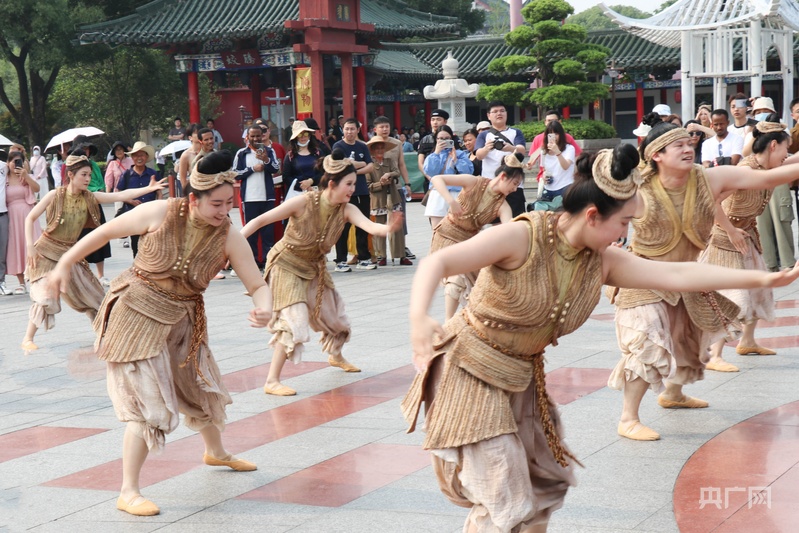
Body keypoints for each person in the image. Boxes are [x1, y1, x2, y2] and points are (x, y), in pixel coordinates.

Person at [401, 144, 799, 533]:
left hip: (520, 378)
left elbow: (678, 275)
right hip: (468, 368)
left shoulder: (601, 261)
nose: (627, 234)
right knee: (508, 496)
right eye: (624, 223)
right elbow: (438, 261)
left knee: (541, 492)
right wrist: (419, 317)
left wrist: (763, 278)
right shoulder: (524, 236)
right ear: (593, 215)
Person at [47, 150, 270, 517]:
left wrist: (265, 307)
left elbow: (257, 283)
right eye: (216, 203)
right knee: (148, 403)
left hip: (182, 319)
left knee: (200, 387)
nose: (224, 211)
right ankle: (128, 490)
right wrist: (64, 265)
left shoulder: (228, 235)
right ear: (193, 199)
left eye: (229, 203)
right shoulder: (162, 212)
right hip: (135, 314)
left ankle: (215, 452)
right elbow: (104, 232)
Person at [608, 122, 799, 442]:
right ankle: (628, 417)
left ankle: (674, 394)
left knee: (689, 342)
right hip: (642, 278)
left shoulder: (708, 179)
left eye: (689, 142)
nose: (688, 148)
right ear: (656, 155)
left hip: (686, 276)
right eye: (678, 145)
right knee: (648, 344)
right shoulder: (639, 191)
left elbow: (766, 178)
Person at [241, 150, 404, 396]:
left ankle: (335, 356)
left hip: (314, 266)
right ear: (331, 184)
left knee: (334, 317)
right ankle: (272, 380)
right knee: (293, 319)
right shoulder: (304, 202)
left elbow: (370, 226)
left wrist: (387, 228)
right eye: (348, 184)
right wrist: (232, 247)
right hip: (286, 263)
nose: (352, 189)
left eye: (353, 184)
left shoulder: (347, 209)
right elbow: (259, 221)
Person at [21, 153, 165, 352]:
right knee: (45, 297)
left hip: (70, 255)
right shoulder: (55, 195)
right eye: (84, 175)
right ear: (70, 175)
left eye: (89, 175)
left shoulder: (90, 197)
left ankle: (104, 335)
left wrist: (148, 189)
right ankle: (28, 338)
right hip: (45, 253)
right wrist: (29, 246)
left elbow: (119, 195)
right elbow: (30, 218)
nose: (88, 179)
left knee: (95, 297)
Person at [701, 116, 789, 373]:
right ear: (773, 145)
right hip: (726, 237)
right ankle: (714, 354)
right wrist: (729, 230)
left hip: (747, 234)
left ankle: (747, 341)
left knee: (758, 288)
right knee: (730, 296)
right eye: (786, 148)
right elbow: (711, 200)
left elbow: (794, 163)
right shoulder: (744, 171)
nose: (787, 154)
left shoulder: (768, 169)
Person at [428, 153, 522, 320]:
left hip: (468, 242)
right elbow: (437, 179)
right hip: (446, 236)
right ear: (502, 176)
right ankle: (449, 322)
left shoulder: (503, 206)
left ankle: (456, 321)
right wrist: (451, 201)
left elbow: (509, 230)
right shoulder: (474, 182)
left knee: (468, 284)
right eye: (514, 184)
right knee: (457, 277)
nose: (514, 189)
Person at [332, 118, 375, 272]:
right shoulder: (338, 146)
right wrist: (359, 164)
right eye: (346, 129)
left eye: (352, 129)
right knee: (343, 226)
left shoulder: (362, 146)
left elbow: (370, 166)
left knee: (363, 224)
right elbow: (341, 165)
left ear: (358, 130)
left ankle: (363, 258)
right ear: (343, 130)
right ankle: (340, 260)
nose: (349, 132)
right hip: (345, 193)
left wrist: (354, 168)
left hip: (362, 190)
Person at [234, 125, 280, 269]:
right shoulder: (241, 153)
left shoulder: (269, 151)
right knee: (251, 234)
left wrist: (266, 160)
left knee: (268, 233)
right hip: (249, 199)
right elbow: (235, 174)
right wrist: (252, 169)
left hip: (267, 198)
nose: (255, 139)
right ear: (247, 137)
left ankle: (268, 262)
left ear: (263, 136)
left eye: (258, 136)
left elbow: (276, 168)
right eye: (252, 136)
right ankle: (252, 262)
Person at [474, 101, 528, 216]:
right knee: (494, 220)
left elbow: (522, 150)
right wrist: (486, 148)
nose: (499, 114)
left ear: (506, 113)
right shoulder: (483, 135)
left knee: (517, 218)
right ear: (489, 116)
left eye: (502, 111)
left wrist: (510, 148)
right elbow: (478, 155)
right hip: (491, 183)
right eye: (495, 111)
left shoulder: (515, 132)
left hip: (514, 183)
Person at [365, 137, 411, 266]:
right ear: (372, 151)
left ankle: (401, 255)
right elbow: (368, 185)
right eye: (377, 148)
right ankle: (381, 256)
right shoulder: (369, 165)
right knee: (379, 226)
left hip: (393, 195)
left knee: (397, 225)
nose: (380, 150)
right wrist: (380, 183)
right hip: (378, 199)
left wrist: (389, 175)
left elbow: (397, 172)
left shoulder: (389, 161)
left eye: (382, 148)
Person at [72, 137, 112, 286]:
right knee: (78, 238)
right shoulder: (69, 165)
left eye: (87, 149)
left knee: (99, 236)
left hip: (94, 200)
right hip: (76, 204)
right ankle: (82, 274)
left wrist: (92, 190)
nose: (86, 151)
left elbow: (100, 182)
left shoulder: (93, 165)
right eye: (83, 148)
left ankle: (101, 275)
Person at [115, 142, 163, 257]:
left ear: (146, 157)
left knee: (152, 244)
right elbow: (119, 192)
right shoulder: (127, 174)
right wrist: (130, 200)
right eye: (136, 155)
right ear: (132, 158)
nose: (139, 158)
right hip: (133, 215)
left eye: (142, 155)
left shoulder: (153, 174)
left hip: (150, 215)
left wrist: (158, 206)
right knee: (136, 245)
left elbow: (159, 192)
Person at [422, 125, 474, 228]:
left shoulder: (460, 154)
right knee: (438, 229)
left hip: (457, 193)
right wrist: (436, 152)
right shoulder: (432, 155)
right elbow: (430, 172)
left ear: (452, 139)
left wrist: (456, 160)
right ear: (436, 139)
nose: (444, 141)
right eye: (440, 138)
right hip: (438, 193)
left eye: (447, 139)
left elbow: (468, 172)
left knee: (459, 229)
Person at [5, 152, 40, 294]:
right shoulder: (4, 179)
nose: (15, 164)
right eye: (13, 161)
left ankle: (34, 278)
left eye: (19, 161)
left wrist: (26, 176)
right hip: (11, 216)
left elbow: (37, 189)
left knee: (30, 244)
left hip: (27, 214)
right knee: (16, 247)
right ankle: (21, 282)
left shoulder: (26, 176)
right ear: (8, 163)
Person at [526, 110, 581, 195]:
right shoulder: (538, 139)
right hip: (546, 180)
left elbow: (577, 156)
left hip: (564, 182)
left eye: (554, 121)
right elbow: (532, 161)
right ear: (545, 122)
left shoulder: (567, 139)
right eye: (549, 121)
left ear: (559, 122)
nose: (551, 123)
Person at [531, 120, 577, 211]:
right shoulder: (544, 151)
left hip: (565, 187)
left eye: (556, 133)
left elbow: (565, 166)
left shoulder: (569, 148)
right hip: (548, 188)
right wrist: (544, 177)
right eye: (550, 134)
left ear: (561, 134)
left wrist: (557, 152)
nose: (554, 137)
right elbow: (544, 169)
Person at [283, 121, 324, 197]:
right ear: (295, 137)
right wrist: (302, 186)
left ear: (309, 135)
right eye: (300, 134)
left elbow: (323, 172)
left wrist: (310, 181)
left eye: (305, 134)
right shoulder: (290, 156)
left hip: (316, 193)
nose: (303, 137)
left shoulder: (318, 152)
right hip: (296, 195)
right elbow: (286, 177)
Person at [105, 141, 134, 248]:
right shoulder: (112, 164)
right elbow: (108, 180)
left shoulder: (131, 161)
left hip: (131, 192)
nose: (119, 151)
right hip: (118, 194)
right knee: (120, 215)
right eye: (116, 150)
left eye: (121, 149)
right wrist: (108, 195)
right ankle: (123, 239)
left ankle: (134, 235)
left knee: (132, 215)